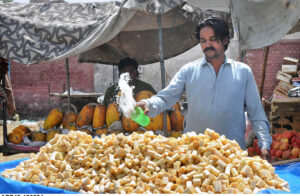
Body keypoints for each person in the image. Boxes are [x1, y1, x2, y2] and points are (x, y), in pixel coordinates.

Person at [137, 17, 271, 159]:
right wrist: (149, 104)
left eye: (213, 39)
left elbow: (256, 112)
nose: (207, 44)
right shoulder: (188, 70)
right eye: (203, 40)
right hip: (195, 155)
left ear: (225, 40)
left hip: (232, 156)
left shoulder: (243, 72)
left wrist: (265, 144)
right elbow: (166, 97)